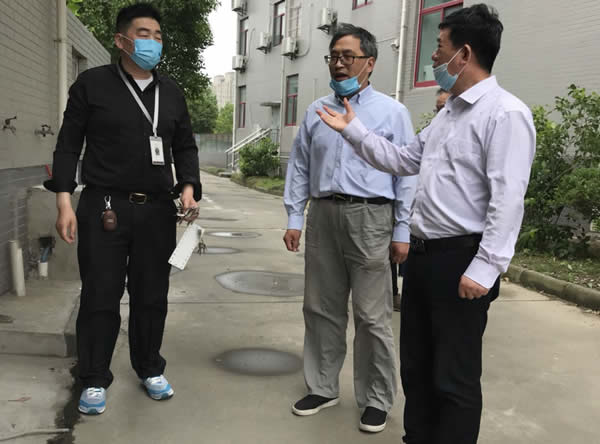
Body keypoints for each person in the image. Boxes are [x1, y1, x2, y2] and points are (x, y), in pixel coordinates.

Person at [316, 5, 535, 443]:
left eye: (439, 46)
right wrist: (352, 130)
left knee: (453, 376)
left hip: (461, 260)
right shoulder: (449, 114)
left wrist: (486, 267)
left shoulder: (505, 114)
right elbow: (402, 160)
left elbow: (508, 199)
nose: (433, 56)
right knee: (417, 366)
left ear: (464, 54)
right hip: (422, 257)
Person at [44, 3, 201, 415]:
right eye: (144, 34)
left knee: (151, 295)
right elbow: (68, 144)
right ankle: (94, 377)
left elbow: (185, 146)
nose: (153, 42)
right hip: (104, 207)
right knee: (101, 294)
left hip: (158, 211)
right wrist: (64, 201)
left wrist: (188, 187)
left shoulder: (172, 92)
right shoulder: (92, 85)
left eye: (158, 36)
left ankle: (150, 367)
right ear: (121, 40)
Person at [283, 24, 416, 433]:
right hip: (323, 215)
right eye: (334, 56)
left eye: (348, 56)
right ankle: (322, 387)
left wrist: (402, 229)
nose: (339, 63)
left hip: (371, 218)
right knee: (320, 307)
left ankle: (376, 397)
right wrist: (294, 217)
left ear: (369, 63)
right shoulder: (316, 111)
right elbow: (300, 166)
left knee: (372, 316)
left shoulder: (393, 112)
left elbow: (407, 173)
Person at [392, 87, 449, 311]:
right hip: (420, 237)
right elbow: (401, 160)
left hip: (452, 246)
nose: (441, 115)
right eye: (438, 110)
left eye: (445, 109)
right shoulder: (430, 135)